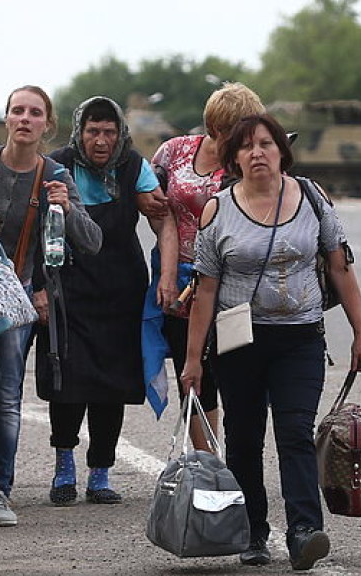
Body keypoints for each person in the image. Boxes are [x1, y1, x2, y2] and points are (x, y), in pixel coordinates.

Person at [181, 113, 361, 570]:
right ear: (234, 158)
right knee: (243, 438)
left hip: (300, 339)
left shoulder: (312, 198)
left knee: (294, 433)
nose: (257, 152)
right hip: (238, 340)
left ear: (281, 150)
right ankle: (253, 532)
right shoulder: (217, 209)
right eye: (246, 146)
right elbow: (205, 291)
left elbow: (341, 268)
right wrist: (193, 360)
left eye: (266, 143)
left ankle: (305, 529)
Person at [0, 85, 102, 527]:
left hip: (14, 305)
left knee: (4, 399)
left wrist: (67, 209)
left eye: (34, 113)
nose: (24, 118)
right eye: (17, 110)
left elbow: (92, 242)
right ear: (7, 119)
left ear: (46, 124)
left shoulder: (55, 172)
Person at [36, 96, 166, 506]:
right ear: (80, 132)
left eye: (109, 131)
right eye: (93, 130)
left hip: (120, 291)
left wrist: (169, 272)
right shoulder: (57, 164)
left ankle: (100, 472)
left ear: (120, 133)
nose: (101, 139)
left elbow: (161, 214)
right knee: (67, 382)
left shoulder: (133, 166)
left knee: (111, 386)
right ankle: (64, 467)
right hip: (68, 290)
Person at [151, 82, 265, 449]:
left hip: (232, 284)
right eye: (234, 130)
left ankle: (241, 460)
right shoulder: (174, 152)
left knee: (234, 373)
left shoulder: (248, 164)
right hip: (180, 279)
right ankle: (210, 463)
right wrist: (168, 271)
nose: (243, 139)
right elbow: (154, 207)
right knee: (194, 373)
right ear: (214, 126)